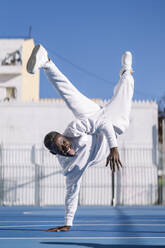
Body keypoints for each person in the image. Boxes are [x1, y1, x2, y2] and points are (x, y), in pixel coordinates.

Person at [27, 44, 134, 232]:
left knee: (72, 97)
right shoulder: (70, 168)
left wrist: (113, 148)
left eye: (64, 142)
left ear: (64, 136)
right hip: (116, 125)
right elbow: (71, 192)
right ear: (55, 153)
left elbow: (102, 124)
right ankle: (126, 72)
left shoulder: (73, 130)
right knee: (125, 93)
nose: (66, 146)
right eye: (61, 148)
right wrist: (68, 222)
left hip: (103, 122)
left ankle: (46, 62)